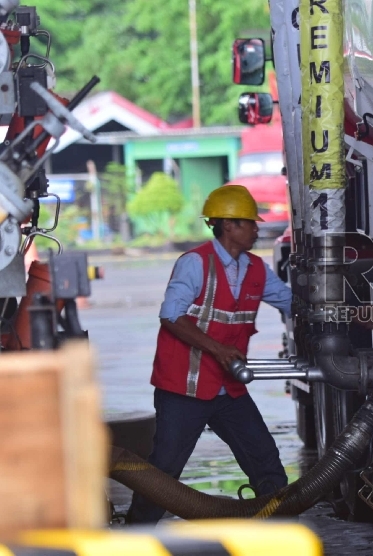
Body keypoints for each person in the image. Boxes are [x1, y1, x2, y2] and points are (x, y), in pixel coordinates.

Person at [127, 185, 293, 524]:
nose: (257, 228)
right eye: (250, 222)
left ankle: (278, 533)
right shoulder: (194, 263)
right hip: (184, 390)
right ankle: (134, 537)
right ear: (228, 225)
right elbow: (171, 314)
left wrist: (345, 308)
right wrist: (218, 350)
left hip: (228, 389)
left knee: (266, 463)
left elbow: (293, 303)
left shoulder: (256, 270)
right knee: (164, 471)